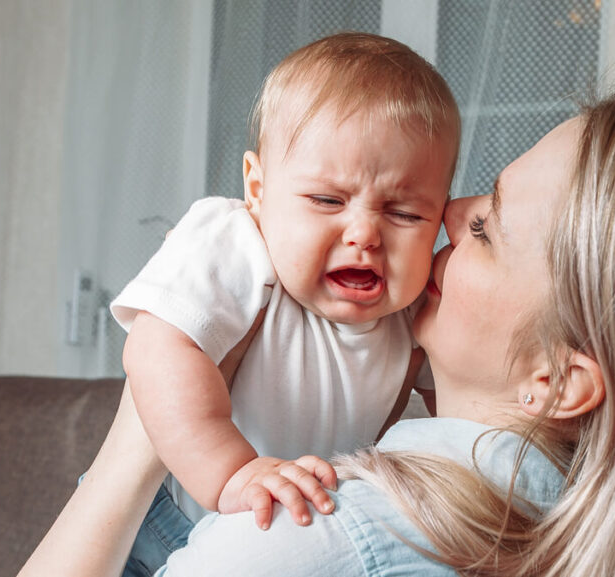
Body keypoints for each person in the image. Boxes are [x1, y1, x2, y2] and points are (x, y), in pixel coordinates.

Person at [21, 82, 615, 577]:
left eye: (488, 228)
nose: (448, 212)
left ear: (559, 378)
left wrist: (140, 442)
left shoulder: (313, 530)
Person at [106, 32, 459, 575]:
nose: (364, 233)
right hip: (169, 517)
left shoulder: (415, 308)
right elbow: (157, 349)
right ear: (258, 188)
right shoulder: (237, 242)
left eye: (406, 214)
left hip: (290, 535)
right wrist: (232, 474)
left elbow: (462, 417)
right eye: (326, 200)